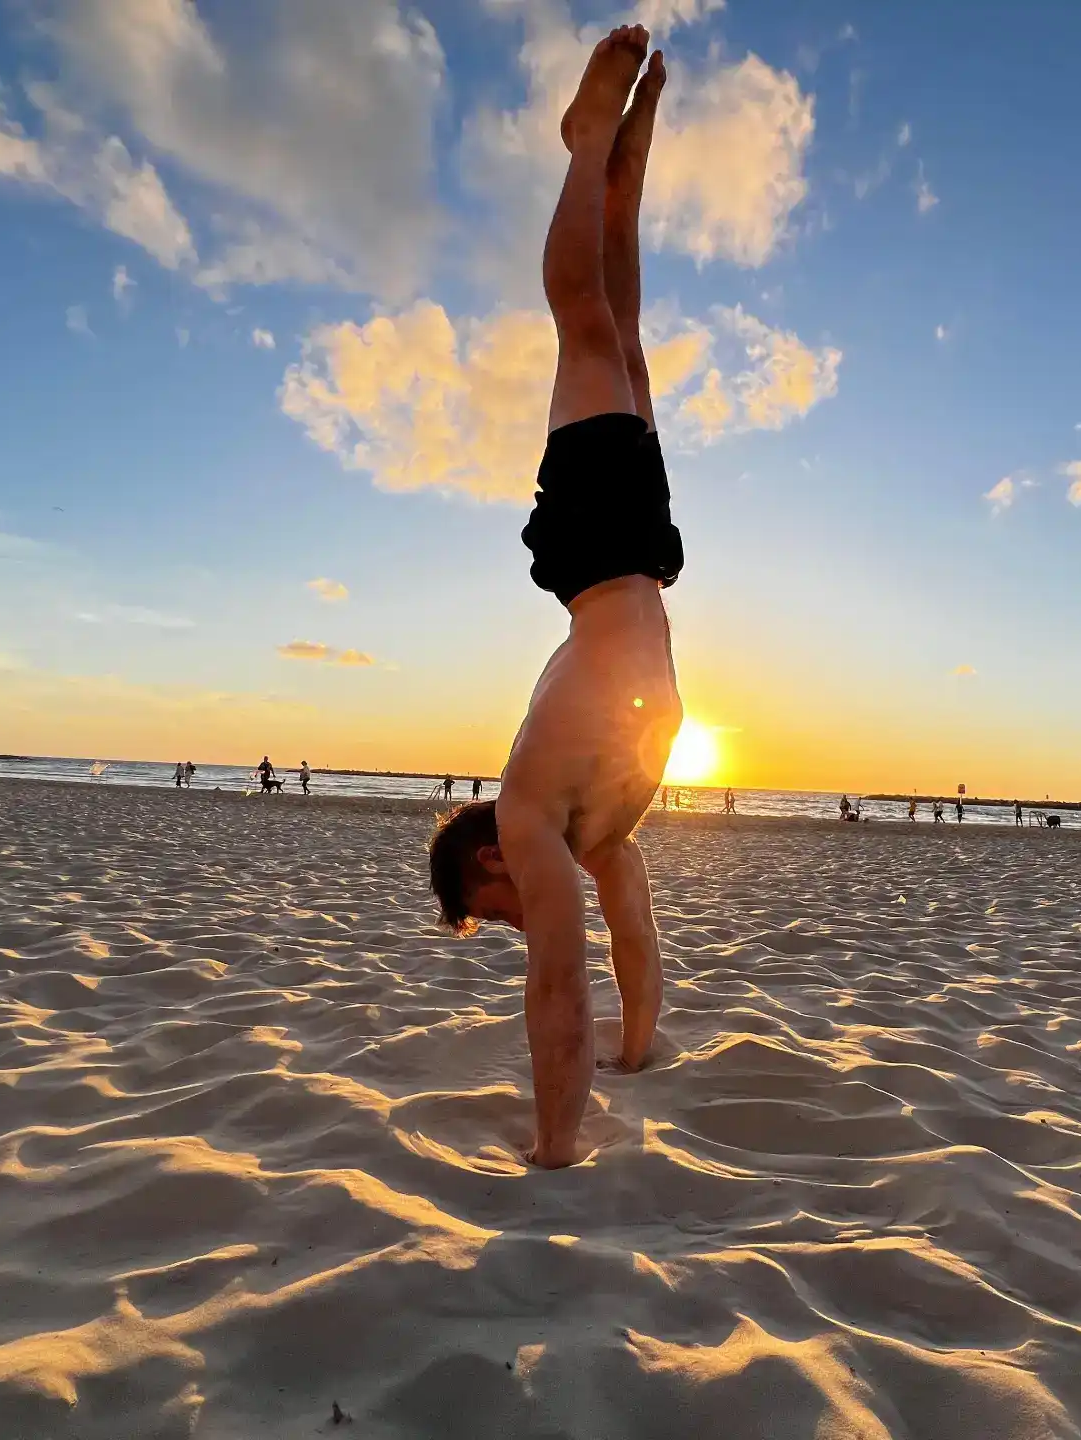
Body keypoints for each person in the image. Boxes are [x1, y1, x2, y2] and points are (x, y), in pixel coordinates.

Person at [425, 27, 683, 1170]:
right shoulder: (594, 832)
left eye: (492, 914)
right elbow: (629, 935)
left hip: (614, 567)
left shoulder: (537, 817)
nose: (517, 916)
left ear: (486, 865)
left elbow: (559, 978)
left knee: (589, 320)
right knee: (614, 333)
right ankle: (617, 182)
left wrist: (554, 1144)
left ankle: (588, 147)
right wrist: (635, 1051)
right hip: (616, 569)